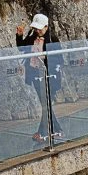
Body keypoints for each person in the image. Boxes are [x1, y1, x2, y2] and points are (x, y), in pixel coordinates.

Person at [16, 13, 63, 142]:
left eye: (40, 28)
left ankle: (42, 132)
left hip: (49, 77)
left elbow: (59, 59)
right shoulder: (33, 37)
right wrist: (20, 35)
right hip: (36, 75)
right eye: (36, 28)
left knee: (45, 105)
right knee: (45, 104)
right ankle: (57, 130)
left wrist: (50, 68)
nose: (37, 31)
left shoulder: (52, 39)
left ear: (46, 27)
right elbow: (21, 48)